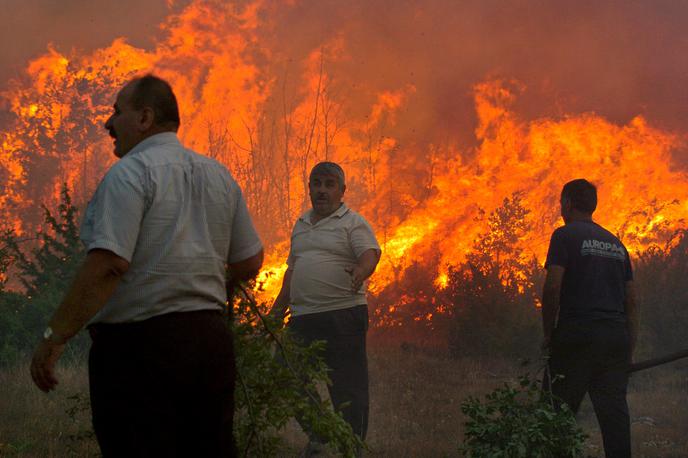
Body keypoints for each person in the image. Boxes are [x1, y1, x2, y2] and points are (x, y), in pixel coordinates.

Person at [29, 74, 263, 457]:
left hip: (140, 352)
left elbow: (108, 265)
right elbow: (250, 260)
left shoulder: (129, 175)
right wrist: (204, 290)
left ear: (144, 118)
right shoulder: (218, 175)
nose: (108, 123)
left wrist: (55, 336)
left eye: (117, 112)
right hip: (210, 342)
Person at [271, 161, 381, 456]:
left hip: (342, 314)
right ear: (309, 188)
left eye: (329, 184)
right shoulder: (301, 225)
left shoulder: (352, 222)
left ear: (342, 191)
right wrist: (275, 312)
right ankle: (318, 432)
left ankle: (353, 447)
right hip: (302, 317)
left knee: (348, 387)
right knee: (284, 373)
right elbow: (292, 272)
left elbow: (370, 253)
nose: (321, 190)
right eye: (316, 183)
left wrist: (360, 270)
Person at [541, 178, 638, 458]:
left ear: (568, 204)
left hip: (577, 336)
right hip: (614, 339)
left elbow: (553, 287)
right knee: (615, 421)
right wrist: (626, 351)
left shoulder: (564, 235)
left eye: (561, 203)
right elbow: (632, 301)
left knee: (554, 417)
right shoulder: (617, 245)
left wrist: (549, 334)